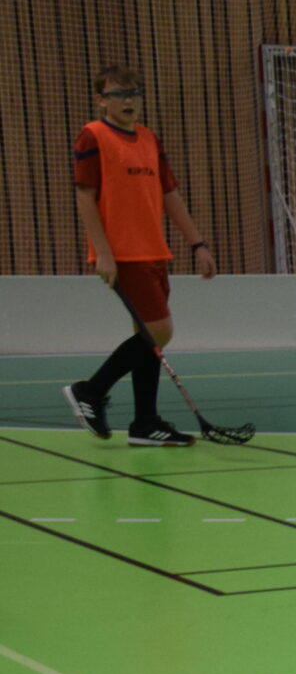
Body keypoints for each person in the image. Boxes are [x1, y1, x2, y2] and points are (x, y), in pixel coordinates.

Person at [61, 63, 216, 447]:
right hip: (123, 254)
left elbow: (169, 194)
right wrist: (103, 253)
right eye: (118, 94)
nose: (128, 100)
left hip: (154, 251)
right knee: (159, 331)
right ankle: (89, 391)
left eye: (133, 93)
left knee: (149, 340)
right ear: (101, 101)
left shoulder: (149, 138)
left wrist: (197, 243)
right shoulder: (93, 135)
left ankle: (145, 423)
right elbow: (84, 196)